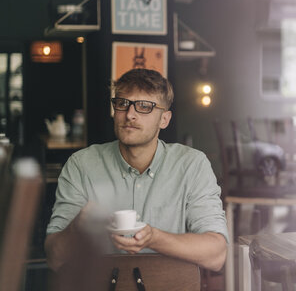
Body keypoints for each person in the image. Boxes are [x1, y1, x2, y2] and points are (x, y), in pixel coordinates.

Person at [44, 68, 228, 272]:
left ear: (164, 119)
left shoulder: (192, 165)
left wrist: (154, 238)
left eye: (144, 107)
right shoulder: (82, 165)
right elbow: (54, 258)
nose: (130, 115)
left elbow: (216, 254)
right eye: (122, 104)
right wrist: (77, 227)